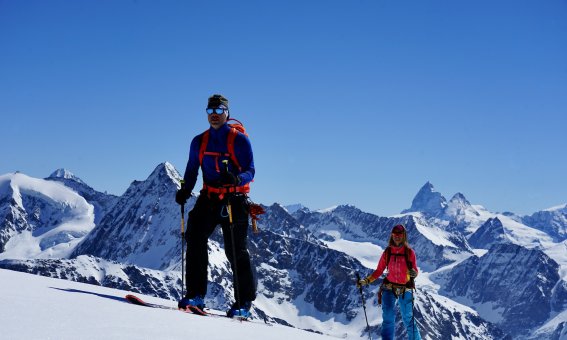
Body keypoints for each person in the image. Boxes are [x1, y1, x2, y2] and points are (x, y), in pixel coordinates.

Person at [175, 94, 256, 318]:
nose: (214, 115)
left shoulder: (240, 140)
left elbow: (251, 170)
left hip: (234, 200)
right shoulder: (198, 141)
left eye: (219, 111)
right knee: (194, 237)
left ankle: (243, 303)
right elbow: (192, 170)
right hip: (209, 197)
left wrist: (237, 179)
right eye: (210, 111)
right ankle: (195, 294)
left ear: (227, 113)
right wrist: (184, 189)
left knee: (235, 250)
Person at [357, 224, 422, 340]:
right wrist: (366, 281)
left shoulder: (409, 253)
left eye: (399, 234)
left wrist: (414, 273)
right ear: (392, 235)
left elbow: (414, 269)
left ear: (404, 236)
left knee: (408, 318)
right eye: (394, 234)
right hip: (389, 287)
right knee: (388, 316)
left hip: (405, 288)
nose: (397, 236)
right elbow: (379, 270)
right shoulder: (387, 252)